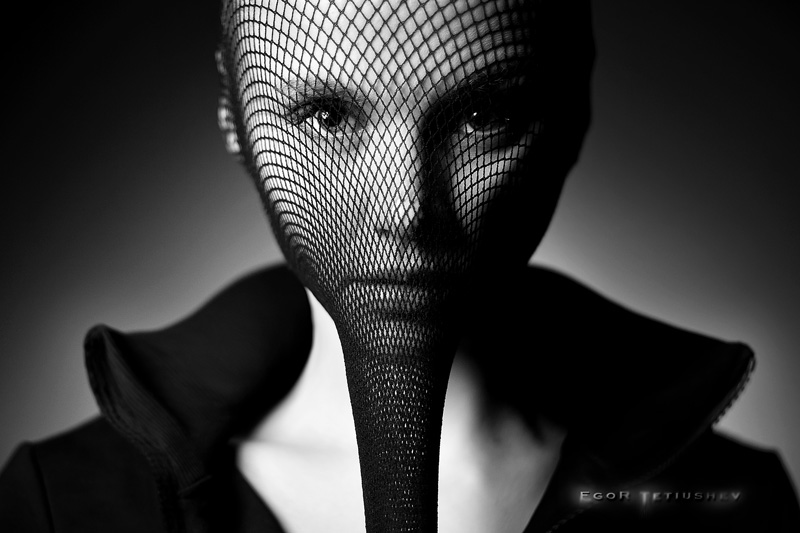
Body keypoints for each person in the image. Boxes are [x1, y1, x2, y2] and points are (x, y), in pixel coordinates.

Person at [1, 1, 798, 532]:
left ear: (571, 113)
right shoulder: (67, 506)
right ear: (233, 113)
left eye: (482, 115)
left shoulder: (731, 506)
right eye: (326, 115)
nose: (407, 208)